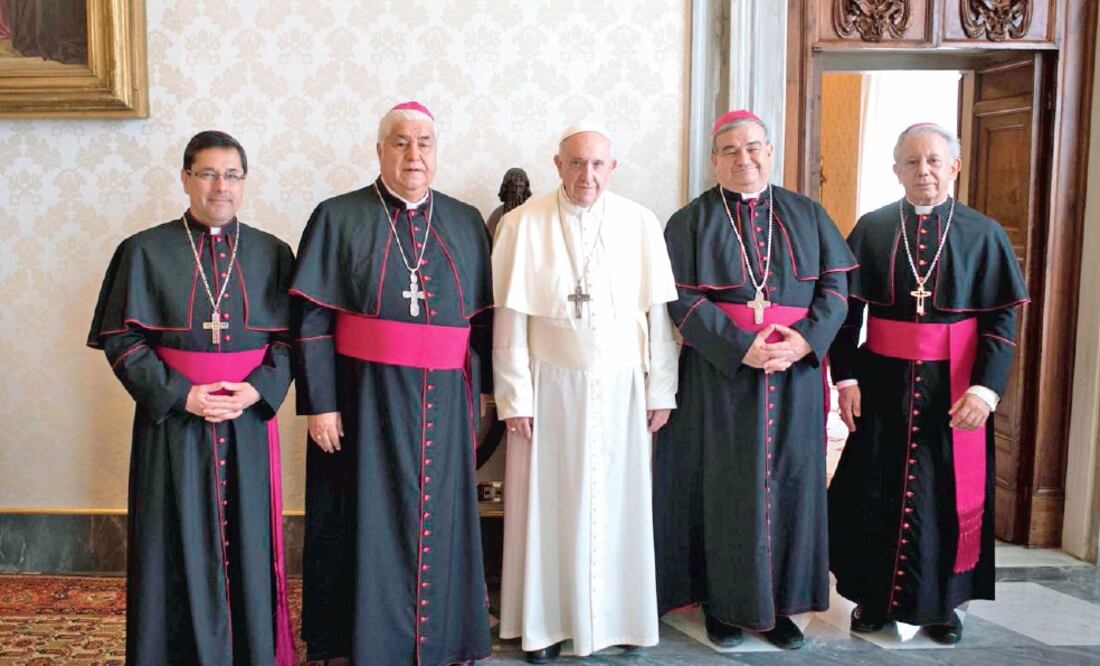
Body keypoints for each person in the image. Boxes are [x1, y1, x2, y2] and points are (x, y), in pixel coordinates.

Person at [291, 101, 493, 665]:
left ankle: (446, 636)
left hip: (445, 401)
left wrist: (481, 396)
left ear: (437, 151)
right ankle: (359, 640)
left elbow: (481, 323)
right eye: (400, 142)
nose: (413, 154)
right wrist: (321, 404)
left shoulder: (464, 220)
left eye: (424, 142)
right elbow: (310, 320)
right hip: (363, 398)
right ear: (378, 150)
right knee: (363, 519)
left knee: (444, 517)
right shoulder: (338, 215)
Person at [87, 130, 295, 665]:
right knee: (170, 548)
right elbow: (120, 337)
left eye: (231, 175)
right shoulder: (143, 250)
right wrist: (182, 395)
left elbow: (293, 340)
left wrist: (259, 389)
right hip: (174, 425)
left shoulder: (274, 253)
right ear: (185, 178)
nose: (219, 186)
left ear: (244, 183)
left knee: (249, 548)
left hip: (248, 422)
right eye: (207, 173)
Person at [654, 109, 856, 650]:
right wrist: (740, 347)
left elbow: (837, 287)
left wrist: (807, 340)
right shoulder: (689, 221)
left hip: (794, 375)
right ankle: (724, 604)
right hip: (720, 376)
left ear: (770, 151)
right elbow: (678, 296)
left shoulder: (807, 214)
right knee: (724, 488)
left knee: (792, 484)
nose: (744, 159)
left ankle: (782, 607)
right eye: (731, 151)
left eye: (753, 148)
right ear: (714, 160)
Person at [828, 123, 1029, 644]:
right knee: (875, 489)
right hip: (883, 383)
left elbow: (1002, 320)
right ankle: (871, 599)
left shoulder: (982, 233)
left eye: (935, 161)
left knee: (946, 493)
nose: (924, 172)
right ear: (896, 170)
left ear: (954, 167)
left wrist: (986, 390)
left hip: (954, 388)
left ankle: (943, 606)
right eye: (912, 162)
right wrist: (845, 377)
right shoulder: (871, 229)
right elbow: (846, 314)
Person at [492, 122, 679, 663]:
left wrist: (660, 389)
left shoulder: (640, 223)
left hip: (623, 387)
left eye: (598, 164)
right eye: (576, 163)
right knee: (545, 508)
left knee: (620, 503)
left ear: (612, 168)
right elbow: (510, 322)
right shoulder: (521, 225)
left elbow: (657, 318)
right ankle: (545, 626)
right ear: (557, 164)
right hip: (549, 386)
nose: (587, 175)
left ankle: (618, 619)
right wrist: (515, 398)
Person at [486, 167, 532, 242]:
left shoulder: (532, 213)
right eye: (513, 187)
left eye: (520, 187)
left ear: (525, 189)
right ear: (506, 188)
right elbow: (488, 242)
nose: (517, 192)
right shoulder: (497, 215)